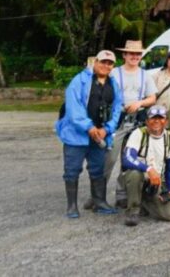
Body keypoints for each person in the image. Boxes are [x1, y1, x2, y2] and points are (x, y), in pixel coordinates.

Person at [57, 49, 123, 218]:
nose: (106, 66)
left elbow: (117, 109)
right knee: (72, 170)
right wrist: (89, 127)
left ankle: (99, 202)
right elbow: (73, 108)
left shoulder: (113, 84)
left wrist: (107, 129)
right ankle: (72, 206)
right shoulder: (79, 81)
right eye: (103, 62)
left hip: (100, 135)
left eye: (110, 63)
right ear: (95, 62)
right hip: (77, 135)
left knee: (97, 169)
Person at [106, 40, 156, 209]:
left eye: (137, 54)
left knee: (127, 159)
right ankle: (97, 194)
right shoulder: (113, 73)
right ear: (124, 55)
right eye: (131, 54)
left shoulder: (145, 75)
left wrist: (139, 103)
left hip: (136, 122)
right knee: (109, 158)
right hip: (116, 122)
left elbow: (152, 98)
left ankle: (122, 195)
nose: (134, 57)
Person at [119, 104, 170, 226]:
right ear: (147, 121)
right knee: (135, 174)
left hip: (156, 183)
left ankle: (145, 201)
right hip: (140, 177)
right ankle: (133, 211)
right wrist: (148, 169)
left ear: (166, 121)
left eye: (160, 118)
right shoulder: (138, 133)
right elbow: (127, 158)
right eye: (153, 118)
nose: (157, 121)